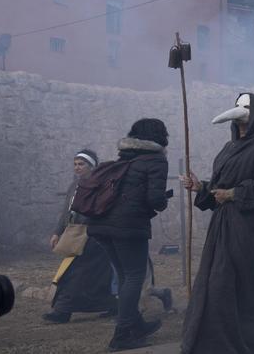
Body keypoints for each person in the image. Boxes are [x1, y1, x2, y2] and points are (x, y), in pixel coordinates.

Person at [181, 93, 254, 354]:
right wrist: (201, 188)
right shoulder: (229, 148)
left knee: (242, 285)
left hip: (246, 228)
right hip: (223, 225)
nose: (240, 112)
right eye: (238, 106)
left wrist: (234, 194)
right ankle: (216, 345)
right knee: (216, 283)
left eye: (246, 107)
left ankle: (253, 344)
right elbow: (219, 190)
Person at [87, 119, 170, 351]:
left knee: (124, 276)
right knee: (134, 276)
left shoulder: (124, 158)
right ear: (158, 137)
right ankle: (122, 334)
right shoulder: (156, 160)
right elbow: (155, 199)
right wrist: (163, 201)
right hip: (128, 228)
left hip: (101, 225)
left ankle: (136, 325)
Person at [44, 149, 117, 323]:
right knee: (83, 275)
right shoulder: (74, 186)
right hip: (76, 235)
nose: (77, 168)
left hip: (94, 237)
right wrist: (57, 232)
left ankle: (63, 311)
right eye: (75, 164)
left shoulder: (101, 185)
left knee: (77, 273)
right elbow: (66, 212)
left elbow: (102, 210)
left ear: (92, 166)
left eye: (81, 164)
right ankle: (112, 304)